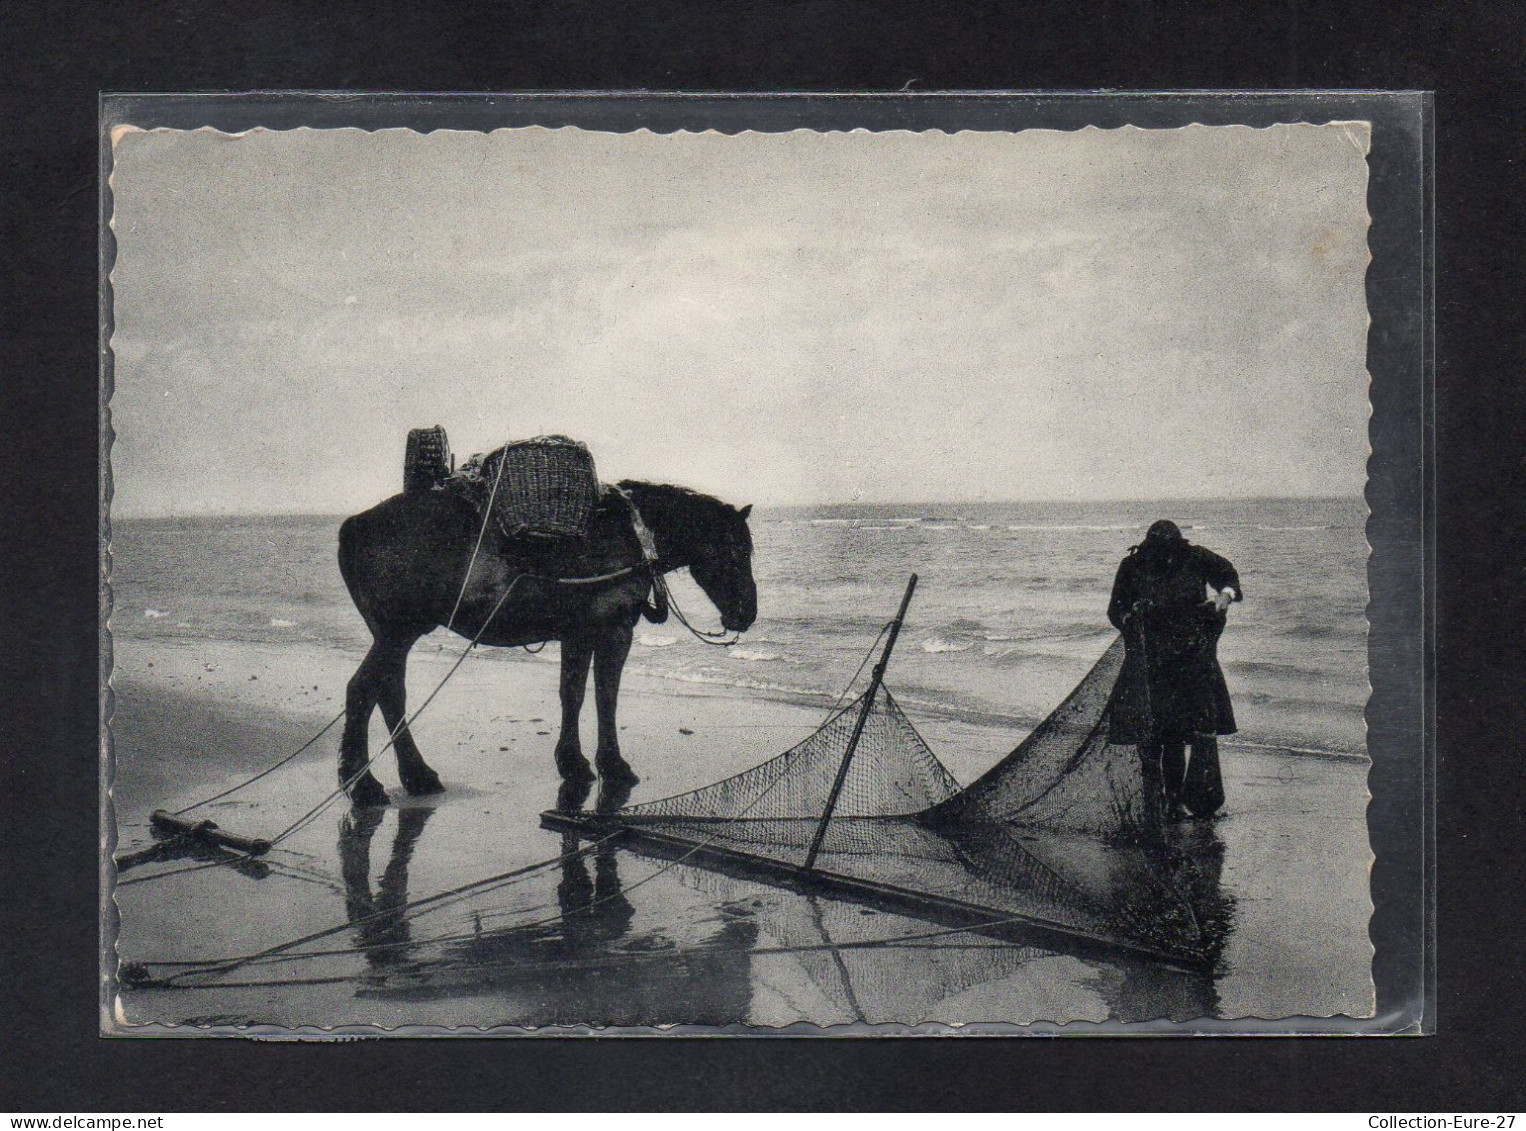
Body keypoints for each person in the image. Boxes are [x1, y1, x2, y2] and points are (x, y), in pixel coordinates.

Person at [1107, 520, 1242, 820]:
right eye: (1158, 551)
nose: (1165, 557)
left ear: (1180, 546)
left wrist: (1225, 596)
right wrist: (1130, 617)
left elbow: (1228, 575)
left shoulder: (1195, 558)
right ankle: (1154, 801)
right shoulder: (1132, 566)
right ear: (1147, 548)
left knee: (1176, 736)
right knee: (1151, 737)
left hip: (1188, 663)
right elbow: (1115, 609)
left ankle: (1174, 801)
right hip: (1148, 663)